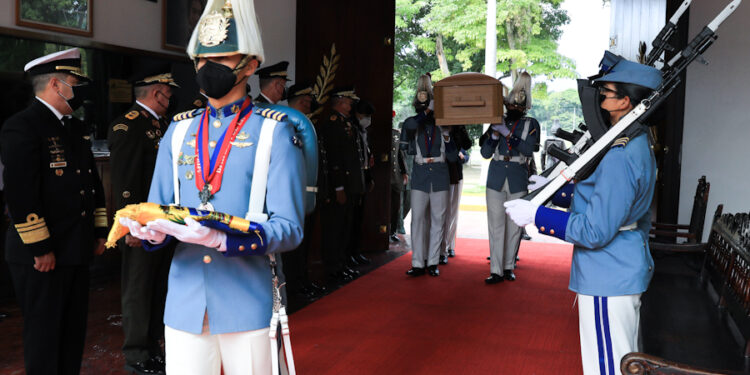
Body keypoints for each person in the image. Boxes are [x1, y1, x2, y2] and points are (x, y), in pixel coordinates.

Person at [119, 1, 305, 373]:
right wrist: (149, 230)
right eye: (202, 60)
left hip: (248, 300)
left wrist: (223, 240)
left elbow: (291, 228)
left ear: (250, 65)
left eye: (221, 58)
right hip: (185, 301)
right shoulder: (179, 129)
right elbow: (160, 206)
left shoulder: (274, 131)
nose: (208, 69)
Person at [505, 59, 661, 374]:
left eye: (606, 94)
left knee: (607, 367)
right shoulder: (637, 142)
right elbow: (610, 200)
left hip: (608, 273)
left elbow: (594, 230)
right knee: (623, 362)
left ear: (626, 101)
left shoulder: (620, 154)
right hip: (620, 266)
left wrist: (539, 214)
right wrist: (557, 192)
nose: (600, 101)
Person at [0, 47, 107, 374]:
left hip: (75, 249)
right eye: (75, 81)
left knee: (72, 333)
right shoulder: (23, 126)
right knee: (45, 336)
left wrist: (99, 232)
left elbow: (91, 185)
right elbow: (21, 195)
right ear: (56, 85)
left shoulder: (73, 128)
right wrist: (41, 247)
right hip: (41, 256)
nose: (79, 90)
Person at [107, 65, 180, 375]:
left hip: (162, 221)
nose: (171, 97)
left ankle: (153, 346)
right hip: (140, 224)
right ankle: (137, 353)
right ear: (156, 92)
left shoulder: (161, 124)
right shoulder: (129, 126)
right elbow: (125, 181)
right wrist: (130, 227)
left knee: (158, 285)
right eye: (168, 92)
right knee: (138, 288)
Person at [481, 72, 540, 284]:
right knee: (495, 225)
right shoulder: (497, 120)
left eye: (518, 106)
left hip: (517, 174)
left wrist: (507, 134)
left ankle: (508, 266)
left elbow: (527, 149)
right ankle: (496, 269)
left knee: (514, 226)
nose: (514, 108)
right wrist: (494, 135)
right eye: (511, 105)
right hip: (496, 175)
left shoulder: (531, 123)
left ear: (524, 107)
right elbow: (485, 154)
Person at [402, 74, 458, 277]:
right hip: (420, 175)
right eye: (421, 105)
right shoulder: (413, 123)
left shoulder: (443, 125)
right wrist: (426, 111)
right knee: (417, 220)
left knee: (438, 219)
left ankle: (433, 261)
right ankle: (417, 262)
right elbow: (408, 127)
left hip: (440, 176)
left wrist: (447, 136)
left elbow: (452, 157)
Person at [317, 86, 363, 282]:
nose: (351, 105)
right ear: (339, 101)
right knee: (334, 229)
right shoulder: (332, 124)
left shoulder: (346, 123)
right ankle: (333, 267)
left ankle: (341, 264)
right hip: (339, 186)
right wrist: (339, 188)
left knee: (344, 227)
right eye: (348, 101)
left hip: (350, 184)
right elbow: (334, 160)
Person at [347, 99, 375, 267]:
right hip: (353, 180)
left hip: (363, 177)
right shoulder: (351, 129)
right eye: (365, 116)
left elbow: (367, 157)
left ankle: (356, 252)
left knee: (358, 219)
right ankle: (348, 254)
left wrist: (370, 178)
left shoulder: (364, 131)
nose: (367, 119)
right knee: (350, 221)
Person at [440, 125, 472, 263]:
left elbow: (467, 145)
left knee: (453, 212)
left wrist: (460, 126)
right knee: (441, 213)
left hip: (455, 173)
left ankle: (449, 245)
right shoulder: (437, 126)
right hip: (440, 171)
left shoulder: (458, 128)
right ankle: (440, 247)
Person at [390, 128, 408, 242]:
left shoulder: (396, 133)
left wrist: (404, 171)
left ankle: (392, 231)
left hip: (396, 176)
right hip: (383, 175)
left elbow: (399, 154)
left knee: (395, 206)